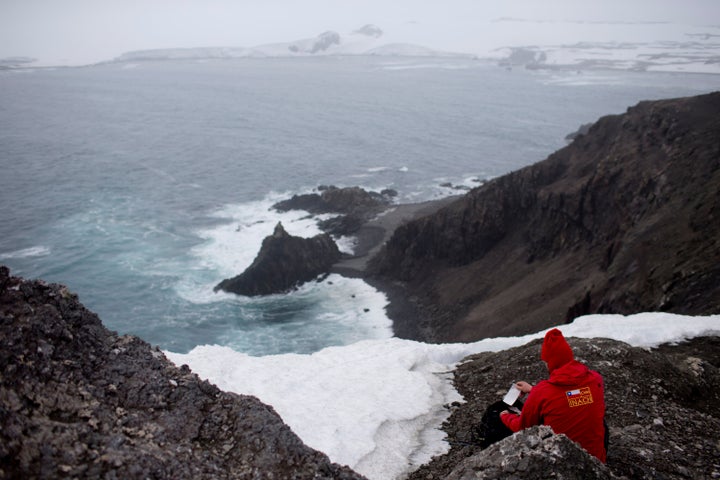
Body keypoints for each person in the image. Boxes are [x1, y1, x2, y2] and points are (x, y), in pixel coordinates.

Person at [499, 328, 607, 462]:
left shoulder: (543, 391)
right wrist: (533, 390)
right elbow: (569, 396)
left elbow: (523, 427)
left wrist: (505, 417)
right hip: (596, 461)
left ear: (551, 362)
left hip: (562, 463)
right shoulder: (596, 379)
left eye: (546, 362)